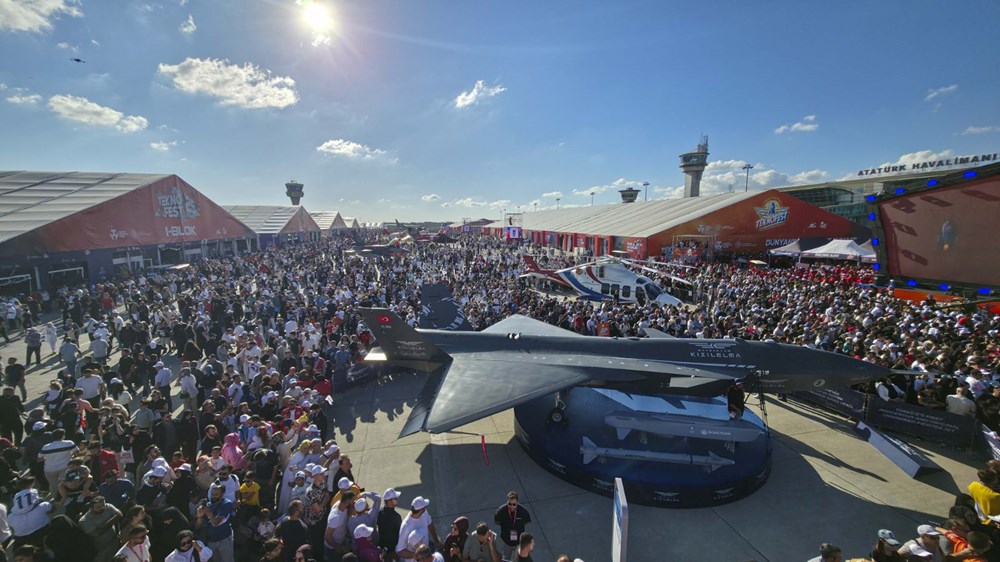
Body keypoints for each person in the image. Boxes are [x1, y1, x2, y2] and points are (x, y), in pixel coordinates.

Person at [196, 483, 235, 562]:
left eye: (216, 494)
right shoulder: (208, 505)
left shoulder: (226, 504)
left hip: (224, 539)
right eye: (212, 494)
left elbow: (216, 523)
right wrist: (199, 516)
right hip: (211, 540)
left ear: (222, 494)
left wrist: (209, 514)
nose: (213, 496)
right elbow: (198, 525)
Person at [79, 495, 124, 562]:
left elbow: (119, 514)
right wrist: (112, 521)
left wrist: (105, 524)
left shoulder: (108, 507)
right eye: (98, 507)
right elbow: (97, 533)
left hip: (115, 542)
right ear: (91, 508)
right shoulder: (84, 521)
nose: (102, 508)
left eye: (103, 505)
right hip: (101, 549)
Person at [38, 428, 77, 497]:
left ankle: (55, 498)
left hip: (49, 469)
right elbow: (76, 452)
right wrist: (70, 455)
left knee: (53, 485)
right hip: (65, 467)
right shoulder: (69, 443)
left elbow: (39, 459)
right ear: (63, 436)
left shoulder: (46, 447)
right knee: (65, 484)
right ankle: (66, 497)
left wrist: (48, 458)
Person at [493, 491, 531, 560]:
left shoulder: (523, 512)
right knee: (506, 558)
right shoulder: (501, 511)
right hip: (506, 541)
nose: (512, 506)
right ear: (507, 501)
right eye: (509, 504)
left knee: (520, 558)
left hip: (519, 541)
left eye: (514, 504)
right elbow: (497, 522)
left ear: (517, 502)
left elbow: (526, 521)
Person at [377, 488, 403, 558]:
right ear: (389, 501)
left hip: (382, 546)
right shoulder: (396, 517)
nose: (397, 500)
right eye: (395, 498)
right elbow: (400, 534)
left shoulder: (379, 512)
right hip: (392, 550)